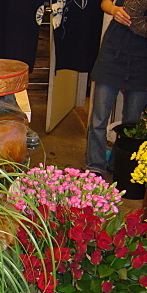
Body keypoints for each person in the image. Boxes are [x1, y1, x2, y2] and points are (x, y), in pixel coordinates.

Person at [85, 0, 147, 177]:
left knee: (132, 122)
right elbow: (104, 2)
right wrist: (114, 9)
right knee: (98, 118)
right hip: (113, 52)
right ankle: (95, 168)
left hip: (142, 60)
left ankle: (118, 165)